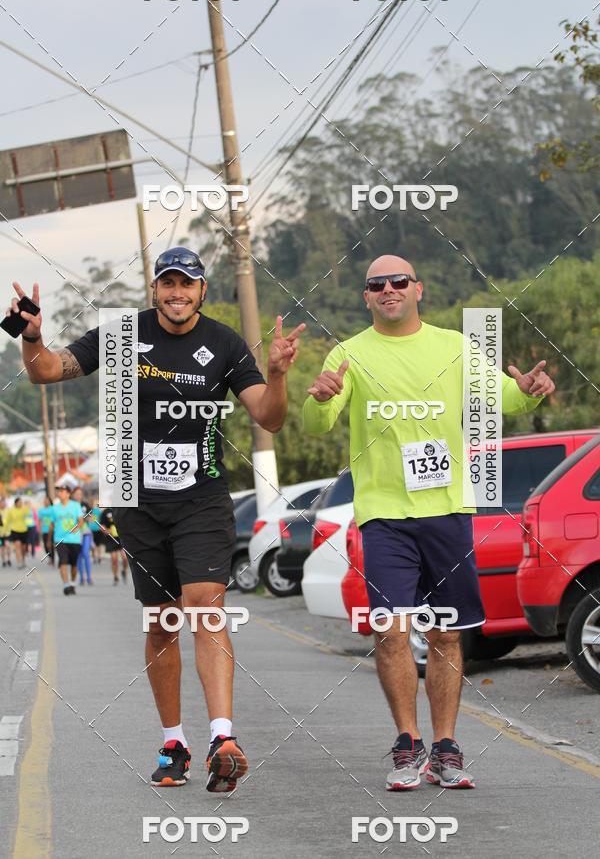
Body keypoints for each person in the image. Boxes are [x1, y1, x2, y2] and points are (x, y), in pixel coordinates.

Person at [13, 246, 304, 792]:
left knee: (204, 603)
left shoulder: (224, 343)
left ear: (201, 291)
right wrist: (31, 336)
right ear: (154, 289)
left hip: (201, 497)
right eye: (167, 284)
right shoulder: (122, 335)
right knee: (161, 622)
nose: (177, 293)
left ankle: (223, 736)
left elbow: (268, 415)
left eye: (187, 284)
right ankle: (175, 742)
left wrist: (278, 374)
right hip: (137, 500)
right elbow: (47, 372)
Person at [303, 254, 556, 791]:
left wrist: (527, 389)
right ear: (366, 296)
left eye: (399, 281)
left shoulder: (454, 346)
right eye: (377, 284)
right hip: (385, 517)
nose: (389, 289)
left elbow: (500, 396)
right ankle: (406, 744)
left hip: (446, 511)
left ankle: (445, 746)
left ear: (418, 289)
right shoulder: (349, 352)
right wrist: (319, 398)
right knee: (390, 632)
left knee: (445, 630)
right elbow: (318, 421)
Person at [49, 483, 84, 595]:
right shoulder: (54, 508)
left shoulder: (75, 505)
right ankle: (66, 585)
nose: (60, 493)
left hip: (74, 540)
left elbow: (81, 521)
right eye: (59, 491)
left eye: (62, 491)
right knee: (63, 561)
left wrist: (77, 527)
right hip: (60, 539)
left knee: (74, 565)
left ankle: (73, 583)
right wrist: (48, 540)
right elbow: (52, 524)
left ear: (68, 493)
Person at [99, 506, 127, 585]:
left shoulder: (122, 509)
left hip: (121, 537)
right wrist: (105, 530)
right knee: (114, 559)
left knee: (125, 558)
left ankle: (124, 571)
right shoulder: (106, 511)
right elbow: (101, 525)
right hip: (111, 538)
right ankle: (115, 577)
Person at [72, 486, 93, 586]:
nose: (78, 496)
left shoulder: (85, 505)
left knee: (86, 554)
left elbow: (91, 518)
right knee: (79, 556)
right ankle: (81, 578)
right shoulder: (70, 505)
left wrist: (88, 518)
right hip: (75, 534)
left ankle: (89, 577)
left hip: (85, 532)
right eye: (76, 494)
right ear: (72, 495)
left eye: (80, 494)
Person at [4, 497, 29, 569]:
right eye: (19, 502)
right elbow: (7, 520)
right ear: (16, 503)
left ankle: (23, 560)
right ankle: (19, 562)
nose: (20, 503)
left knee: (23, 548)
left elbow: (27, 513)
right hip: (14, 530)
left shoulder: (23, 508)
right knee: (17, 546)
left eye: (21, 502)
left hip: (24, 530)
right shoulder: (11, 510)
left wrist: (25, 506)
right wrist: (5, 528)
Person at [37, 495, 55, 566]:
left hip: (52, 530)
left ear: (50, 501)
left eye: (47, 500)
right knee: (45, 546)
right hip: (44, 530)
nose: (46, 502)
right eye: (45, 500)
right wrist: (39, 529)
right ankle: (50, 557)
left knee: (52, 545)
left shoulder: (53, 508)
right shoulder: (41, 510)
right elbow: (39, 520)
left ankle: (52, 559)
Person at [0, 498, 10, 567]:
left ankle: (8, 559)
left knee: (7, 546)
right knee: (2, 547)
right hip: (0, 534)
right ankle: (3, 561)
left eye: (3, 503)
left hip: (7, 533)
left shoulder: (8, 511)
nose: (3, 504)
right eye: (1, 503)